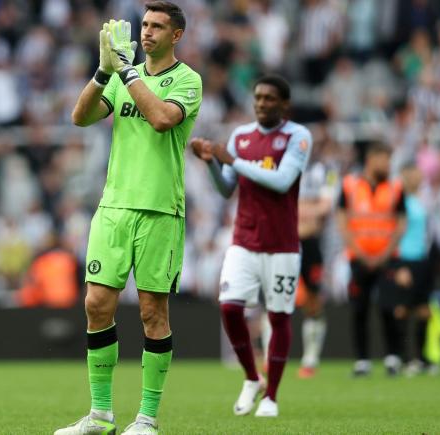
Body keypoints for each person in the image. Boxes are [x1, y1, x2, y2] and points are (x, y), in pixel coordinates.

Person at [57, 2, 202, 434]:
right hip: (114, 207)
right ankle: (100, 415)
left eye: (158, 26)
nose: (147, 32)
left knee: (152, 312)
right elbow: (79, 117)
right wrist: (103, 72)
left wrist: (127, 73)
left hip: (161, 210)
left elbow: (161, 119)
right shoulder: (122, 76)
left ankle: (147, 419)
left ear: (176, 35)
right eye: (144, 24)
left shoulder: (187, 80)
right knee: (95, 304)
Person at [190, 75, 313, 417]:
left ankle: (271, 396)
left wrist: (228, 159)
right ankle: (251, 377)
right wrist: (212, 162)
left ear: (284, 104)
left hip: (282, 245)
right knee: (230, 307)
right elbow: (228, 188)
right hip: (244, 238)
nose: (261, 103)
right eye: (258, 97)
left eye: (269, 98)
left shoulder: (297, 137)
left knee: (278, 317)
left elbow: (281, 180)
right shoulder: (241, 137)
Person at [337, 142, 407, 377]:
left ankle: (392, 357)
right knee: (359, 309)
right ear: (371, 159)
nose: (388, 164)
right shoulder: (350, 185)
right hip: (358, 258)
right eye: (385, 159)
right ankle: (362, 360)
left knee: (389, 307)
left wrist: (384, 254)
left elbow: (400, 224)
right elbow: (342, 222)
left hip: (387, 258)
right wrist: (360, 252)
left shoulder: (396, 187)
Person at [295, 146, 334, 379]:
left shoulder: (325, 170)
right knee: (274, 298)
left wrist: (299, 210)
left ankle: (311, 357)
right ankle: (270, 354)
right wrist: (309, 208)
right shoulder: (285, 168)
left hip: (312, 245)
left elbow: (325, 207)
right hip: (285, 242)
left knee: (312, 300)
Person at [394, 164, 433, 375]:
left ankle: (421, 356)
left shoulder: (419, 201)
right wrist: (398, 265)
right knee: (403, 310)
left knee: (424, 311)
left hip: (421, 260)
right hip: (406, 259)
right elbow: (396, 233)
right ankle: (403, 356)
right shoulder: (401, 202)